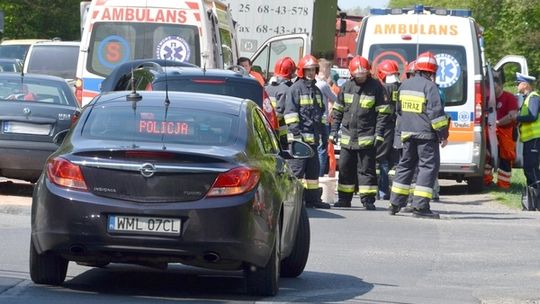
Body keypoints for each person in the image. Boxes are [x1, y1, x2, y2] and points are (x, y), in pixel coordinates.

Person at [388, 52, 449, 219]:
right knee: (427, 167)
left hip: (407, 134)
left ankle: (395, 203)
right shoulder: (430, 87)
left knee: (405, 165)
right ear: (432, 71)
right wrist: (443, 134)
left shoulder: (404, 85)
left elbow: (399, 111)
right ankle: (420, 207)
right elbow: (436, 114)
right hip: (425, 136)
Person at [330, 55, 391, 209]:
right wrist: (333, 130)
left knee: (366, 170)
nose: (361, 77)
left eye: (363, 74)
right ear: (352, 74)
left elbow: (383, 113)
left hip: (366, 137)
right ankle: (344, 199)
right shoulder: (346, 87)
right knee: (345, 168)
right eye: (358, 75)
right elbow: (337, 111)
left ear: (368, 73)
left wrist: (379, 133)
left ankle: (368, 200)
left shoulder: (376, 88)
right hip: (347, 137)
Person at [284, 54, 331, 209]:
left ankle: (312, 200)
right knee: (297, 172)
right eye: (308, 70)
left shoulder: (317, 90)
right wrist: (296, 136)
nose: (311, 72)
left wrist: (324, 134)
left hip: (313, 140)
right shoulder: (295, 90)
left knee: (313, 172)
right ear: (302, 71)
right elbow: (290, 114)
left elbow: (321, 114)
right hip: (300, 140)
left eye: (313, 69)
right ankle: (292, 199)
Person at [483, 77, 519, 189]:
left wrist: (497, 123)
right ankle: (486, 181)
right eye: (491, 87)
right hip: (490, 130)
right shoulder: (488, 98)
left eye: (495, 87)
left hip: (506, 131)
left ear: (501, 86)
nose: (493, 89)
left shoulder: (509, 97)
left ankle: (503, 185)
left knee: (506, 158)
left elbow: (512, 116)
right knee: (487, 156)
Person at [376, 59, 401, 200]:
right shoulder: (402, 87)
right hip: (399, 129)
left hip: (385, 128)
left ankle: (382, 191)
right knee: (396, 161)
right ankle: (393, 192)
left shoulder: (383, 89)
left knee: (381, 160)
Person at [513, 72, 540, 188]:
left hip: (534, 138)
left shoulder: (533, 97)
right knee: (528, 168)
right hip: (529, 139)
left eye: (518, 83)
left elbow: (532, 116)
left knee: (531, 168)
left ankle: (537, 197)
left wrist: (517, 117)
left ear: (525, 84)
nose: (516, 86)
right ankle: (533, 198)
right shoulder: (527, 98)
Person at [265, 56, 297, 149]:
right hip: (281, 133)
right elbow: (281, 112)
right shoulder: (287, 90)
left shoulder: (267, 87)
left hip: (266, 128)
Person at [315, 58, 338, 176]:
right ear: (324, 70)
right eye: (329, 70)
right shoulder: (323, 85)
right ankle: (318, 175)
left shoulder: (312, 83)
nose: (330, 73)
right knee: (322, 149)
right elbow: (336, 99)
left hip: (313, 121)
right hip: (323, 121)